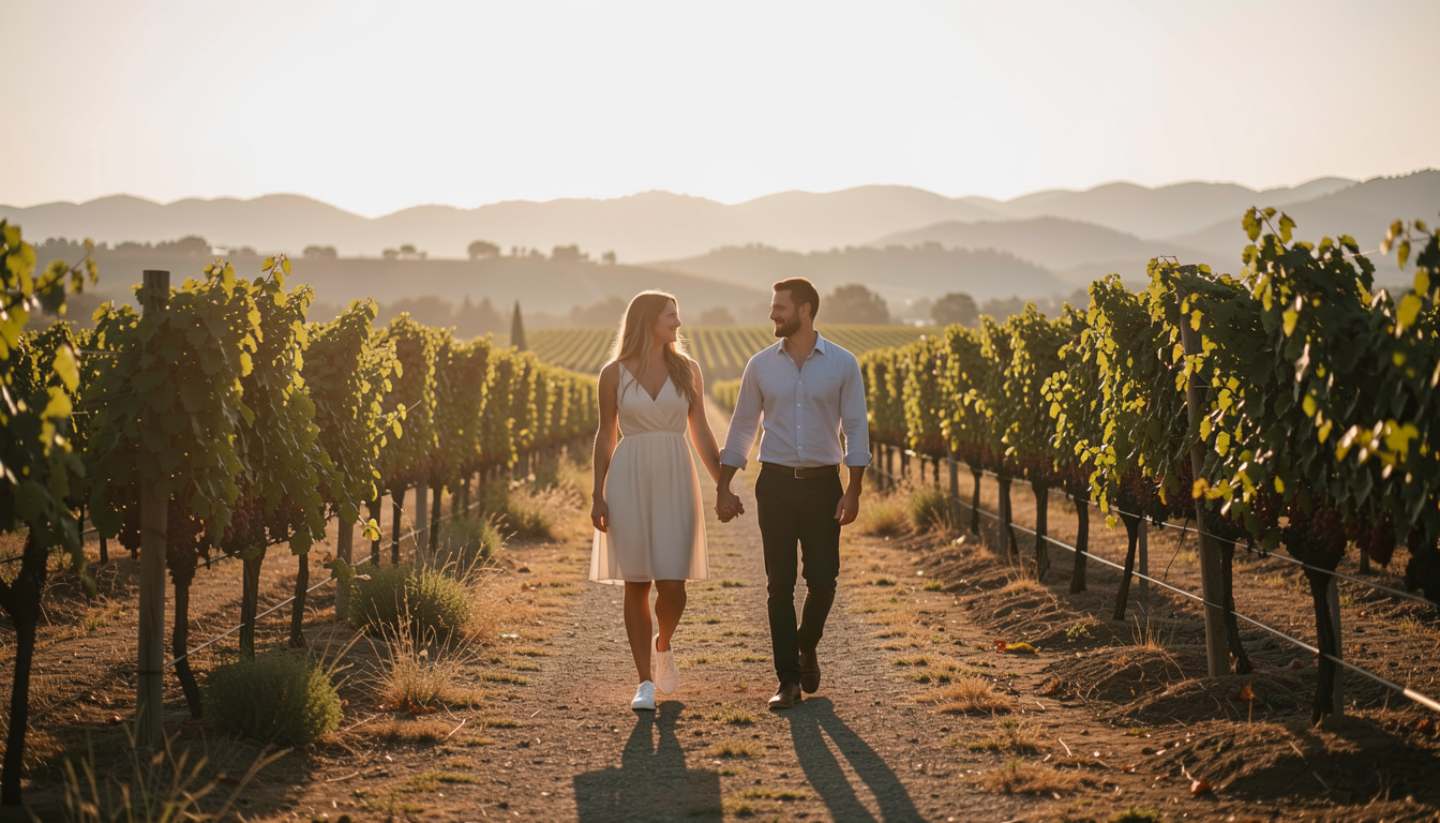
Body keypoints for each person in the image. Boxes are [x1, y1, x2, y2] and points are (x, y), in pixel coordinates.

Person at [716, 277, 870, 710]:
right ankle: (788, 680)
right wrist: (724, 483)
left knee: (823, 580)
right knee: (778, 584)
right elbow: (744, 425)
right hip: (777, 484)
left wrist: (853, 490)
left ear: (805, 310)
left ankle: (806, 645)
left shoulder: (843, 364)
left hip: (824, 485)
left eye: (779, 307)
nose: (772, 315)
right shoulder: (760, 365)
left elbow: (856, 427)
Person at [590, 291, 728, 712]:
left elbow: (701, 430)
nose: (678, 324)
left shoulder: (687, 370)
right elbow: (605, 434)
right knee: (636, 582)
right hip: (628, 476)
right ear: (648, 321)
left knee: (673, 584)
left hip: (674, 473)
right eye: (671, 316)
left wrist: (723, 483)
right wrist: (598, 493)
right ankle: (644, 682)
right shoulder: (613, 374)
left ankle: (663, 643)